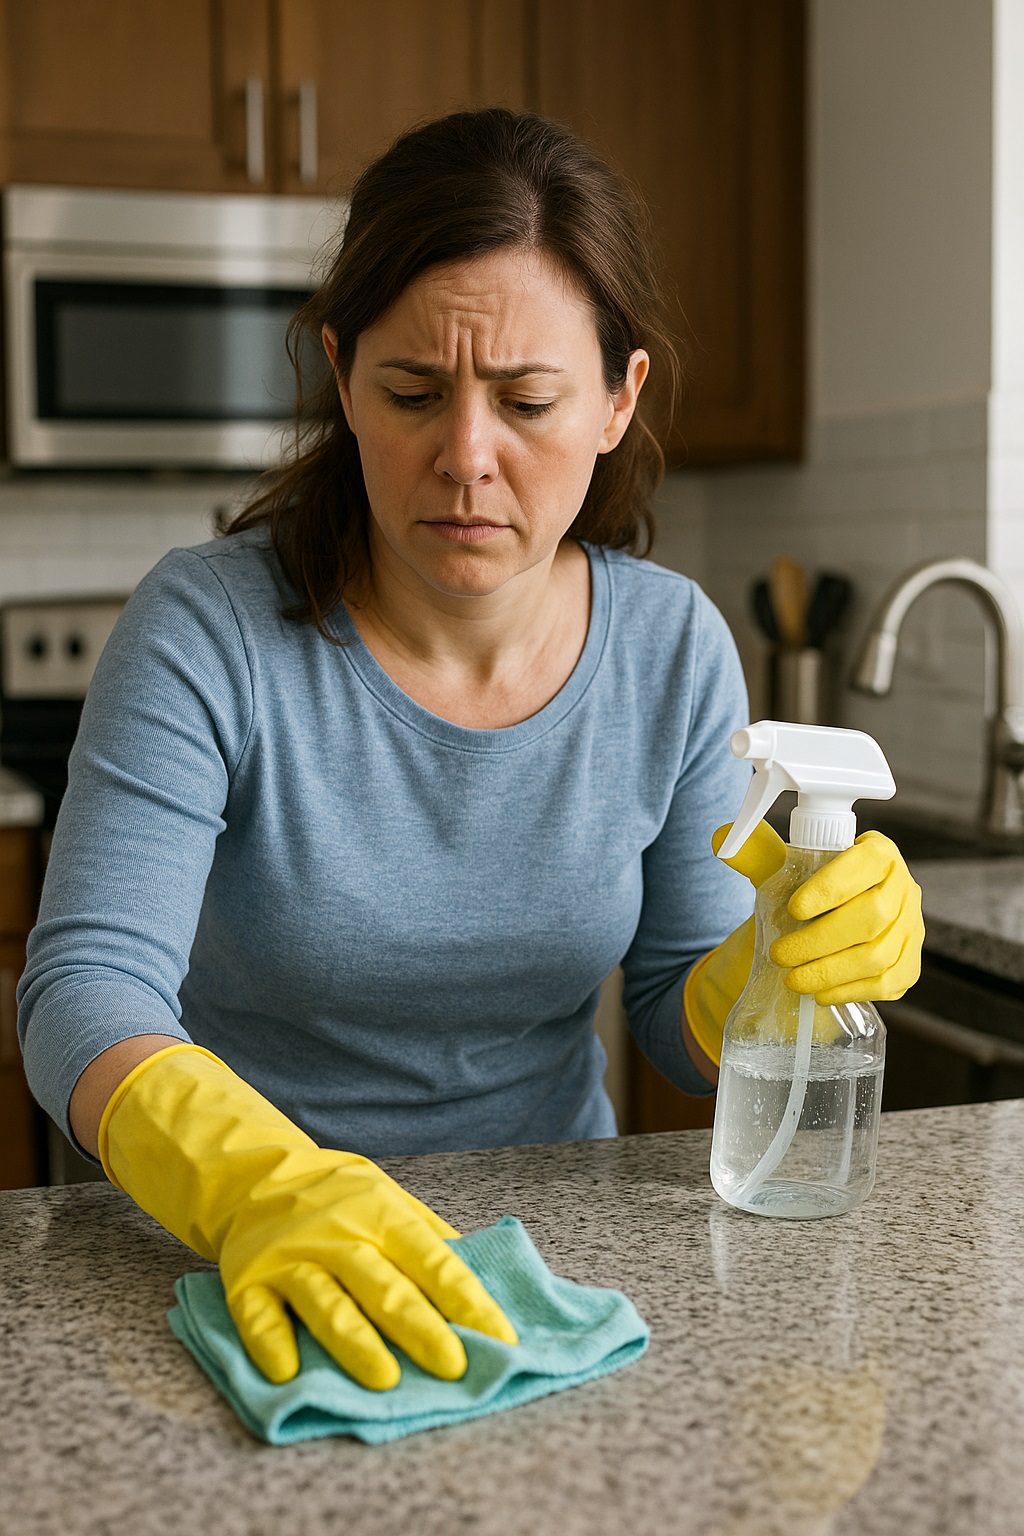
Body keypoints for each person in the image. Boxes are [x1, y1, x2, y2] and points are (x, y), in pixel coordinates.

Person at [17, 108, 923, 1393]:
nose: (465, 458)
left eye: (528, 399)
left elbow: (672, 1012)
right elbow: (84, 991)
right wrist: (258, 1186)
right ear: (341, 376)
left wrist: (771, 965)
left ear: (620, 398)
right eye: (412, 391)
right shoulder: (205, 629)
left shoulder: (670, 647)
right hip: (234, 1254)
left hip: (545, 1253)